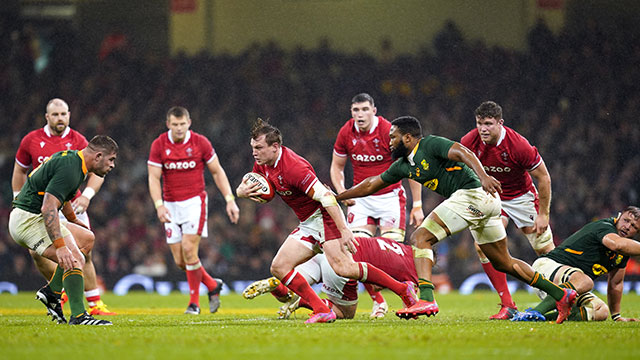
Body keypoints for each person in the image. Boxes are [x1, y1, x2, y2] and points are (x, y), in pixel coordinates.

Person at [335, 116, 577, 323]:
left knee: (420, 237)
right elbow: (371, 183)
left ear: (408, 138)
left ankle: (426, 300)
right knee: (504, 262)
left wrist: (482, 176)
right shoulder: (403, 166)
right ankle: (560, 294)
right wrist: (339, 196)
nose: (389, 142)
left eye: (393, 137)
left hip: (474, 194)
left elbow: (463, 152)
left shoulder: (429, 144)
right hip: (483, 203)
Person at [235, 118, 417, 324]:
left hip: (325, 218)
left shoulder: (294, 167)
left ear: (275, 147)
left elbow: (327, 198)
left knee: (344, 268)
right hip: (308, 223)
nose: (254, 152)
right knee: (279, 266)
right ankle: (321, 309)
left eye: (259, 147)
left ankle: (403, 289)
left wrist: (344, 230)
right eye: (253, 148)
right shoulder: (263, 163)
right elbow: (254, 187)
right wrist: (240, 192)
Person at [11, 98, 115, 316]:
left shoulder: (78, 147)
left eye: (63, 114)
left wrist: (83, 202)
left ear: (69, 115)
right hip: (36, 212)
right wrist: (18, 199)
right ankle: (74, 309)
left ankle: (66, 294)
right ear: (47, 117)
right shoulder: (34, 141)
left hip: (61, 206)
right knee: (68, 254)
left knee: (86, 241)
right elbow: (47, 203)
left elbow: (66, 192)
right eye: (55, 114)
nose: (112, 166)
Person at [331, 93, 424, 318]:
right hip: (361, 199)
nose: (360, 114)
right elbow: (336, 167)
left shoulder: (387, 131)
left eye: (364, 109)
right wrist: (342, 192)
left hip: (390, 197)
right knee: (355, 254)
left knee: (389, 257)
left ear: (374, 110)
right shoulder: (346, 132)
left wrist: (418, 204)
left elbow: (409, 165)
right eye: (355, 110)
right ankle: (379, 302)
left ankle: (412, 293)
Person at [460, 100, 554, 320]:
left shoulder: (518, 145)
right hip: (492, 196)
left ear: (500, 123)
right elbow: (461, 171)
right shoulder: (469, 141)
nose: (483, 129)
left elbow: (543, 177)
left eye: (489, 124)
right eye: (479, 123)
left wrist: (544, 214)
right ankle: (507, 304)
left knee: (545, 250)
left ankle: (564, 293)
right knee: (484, 246)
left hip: (521, 197)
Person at [147, 106, 239, 315]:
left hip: (194, 203)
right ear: (168, 124)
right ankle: (212, 284)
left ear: (189, 123)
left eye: (182, 124)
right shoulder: (159, 144)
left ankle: (194, 304)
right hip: (170, 205)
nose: (179, 128)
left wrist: (229, 200)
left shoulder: (200, 142)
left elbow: (217, 172)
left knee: (190, 251)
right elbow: (153, 177)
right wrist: (159, 205)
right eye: (175, 124)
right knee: (181, 261)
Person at [512, 206, 640, 322]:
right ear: (618, 216)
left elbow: (616, 283)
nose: (628, 227)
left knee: (600, 310)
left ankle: (537, 317)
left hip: (572, 284)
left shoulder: (624, 252)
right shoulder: (605, 226)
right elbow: (616, 244)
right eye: (626, 220)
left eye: (634, 226)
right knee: (586, 281)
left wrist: (616, 316)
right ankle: (536, 311)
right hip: (548, 267)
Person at [243, 236, 419, 320]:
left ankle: (278, 287)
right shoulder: (414, 268)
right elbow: (413, 308)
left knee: (290, 288)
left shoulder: (395, 245)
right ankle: (306, 303)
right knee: (346, 313)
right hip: (341, 261)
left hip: (323, 249)